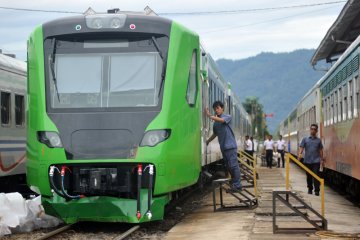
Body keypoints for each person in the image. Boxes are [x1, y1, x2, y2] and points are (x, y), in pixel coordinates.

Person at [206, 101, 242, 192]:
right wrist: (208, 141)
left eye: (218, 108)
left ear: (222, 108)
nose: (216, 110)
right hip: (224, 148)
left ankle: (238, 186)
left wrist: (210, 116)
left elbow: (222, 120)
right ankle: (234, 184)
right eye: (215, 109)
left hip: (230, 146)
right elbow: (215, 134)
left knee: (234, 166)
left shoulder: (227, 117)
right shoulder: (216, 123)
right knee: (229, 167)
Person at [298, 124, 324, 196]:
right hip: (307, 161)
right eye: (312, 129)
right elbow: (302, 148)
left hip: (316, 161)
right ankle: (310, 188)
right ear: (310, 130)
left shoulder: (318, 140)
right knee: (308, 176)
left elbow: (321, 150)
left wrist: (321, 159)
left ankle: (317, 190)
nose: (313, 130)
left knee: (316, 175)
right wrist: (299, 155)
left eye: (314, 129)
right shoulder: (305, 139)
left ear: (317, 131)